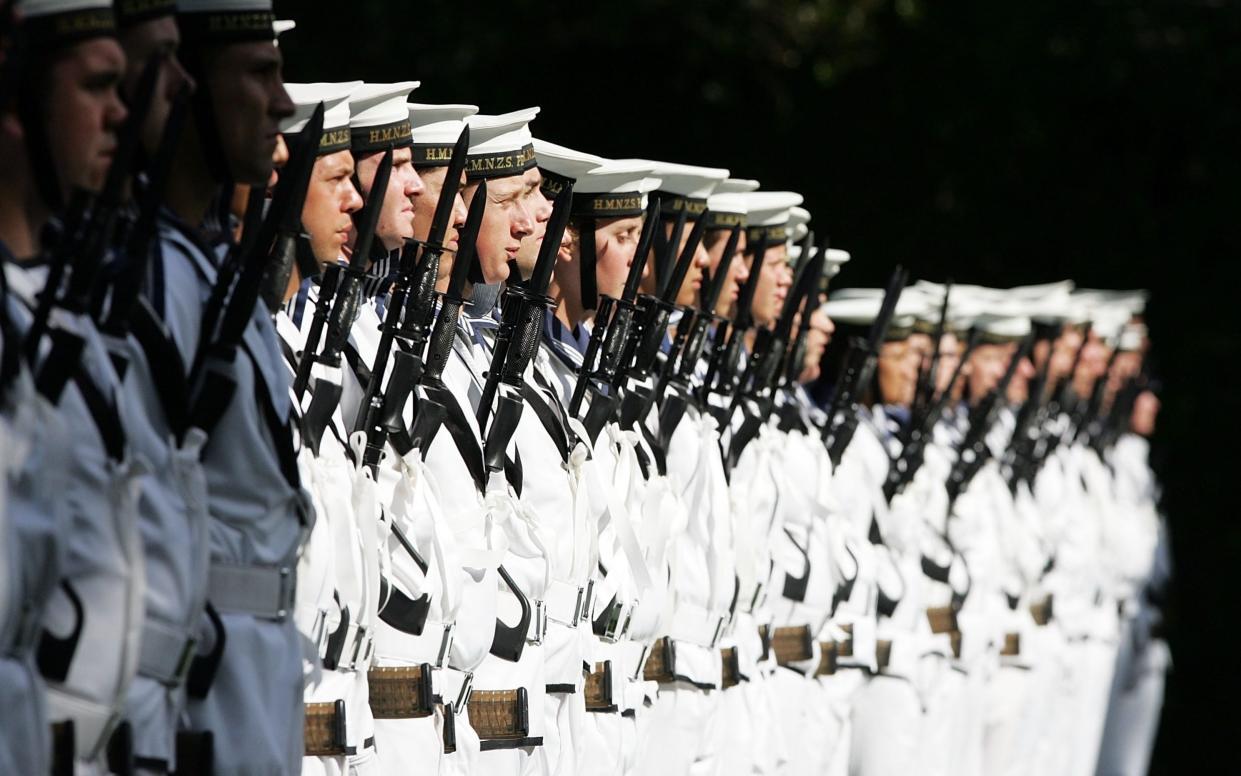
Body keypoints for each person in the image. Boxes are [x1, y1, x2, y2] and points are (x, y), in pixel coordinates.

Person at [160, 2, 305, 772]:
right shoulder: (150, 281)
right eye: (258, 74)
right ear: (186, 84)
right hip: (193, 686)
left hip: (259, 673)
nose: (281, 104)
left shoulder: (213, 271)